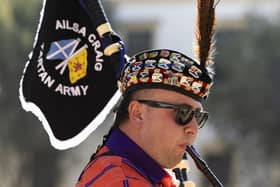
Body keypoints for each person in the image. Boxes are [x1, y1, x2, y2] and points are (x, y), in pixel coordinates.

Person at [76, 48, 214, 187]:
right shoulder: (120, 182)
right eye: (183, 112)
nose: (194, 129)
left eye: (197, 116)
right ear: (137, 113)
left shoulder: (137, 174)